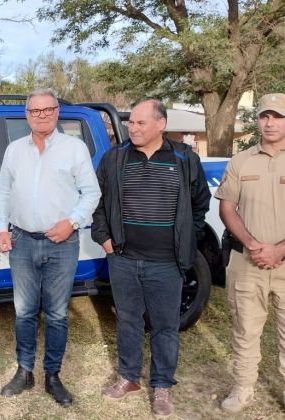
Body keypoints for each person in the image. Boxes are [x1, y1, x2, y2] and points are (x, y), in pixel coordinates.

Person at [91, 98, 210, 418]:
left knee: (165, 325)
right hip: (124, 260)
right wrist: (104, 239)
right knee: (128, 321)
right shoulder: (114, 158)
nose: (133, 127)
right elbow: (97, 201)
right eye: (131, 122)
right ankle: (129, 377)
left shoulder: (184, 158)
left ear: (161, 125)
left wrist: (187, 241)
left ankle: (161, 385)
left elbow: (200, 203)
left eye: (141, 123)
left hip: (166, 263)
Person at [0, 88, 100, 406]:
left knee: (56, 314)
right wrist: (2, 228)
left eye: (47, 109)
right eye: (35, 111)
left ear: (56, 112)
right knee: (24, 312)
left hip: (62, 243)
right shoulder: (14, 150)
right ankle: (25, 371)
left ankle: (52, 375)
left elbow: (91, 193)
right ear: (27, 115)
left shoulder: (74, 148)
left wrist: (72, 221)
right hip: (22, 241)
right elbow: (3, 192)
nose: (41, 115)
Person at [217, 93, 285, 413]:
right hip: (247, 261)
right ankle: (243, 388)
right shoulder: (240, 160)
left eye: (278, 117)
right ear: (257, 120)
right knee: (245, 329)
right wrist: (255, 245)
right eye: (264, 116)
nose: (270, 123)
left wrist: (279, 250)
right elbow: (228, 209)